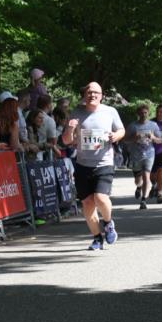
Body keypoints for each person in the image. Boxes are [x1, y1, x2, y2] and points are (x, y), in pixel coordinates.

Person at [61, 82, 124, 250]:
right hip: (83, 165)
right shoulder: (76, 112)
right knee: (88, 203)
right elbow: (66, 141)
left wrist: (115, 136)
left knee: (101, 197)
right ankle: (97, 238)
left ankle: (109, 223)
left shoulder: (110, 111)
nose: (93, 95)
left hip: (104, 163)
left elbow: (121, 130)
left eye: (96, 93)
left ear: (101, 95)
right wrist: (70, 128)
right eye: (89, 92)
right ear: (85, 94)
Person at [124, 103, 159, 209]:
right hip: (136, 155)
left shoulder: (153, 125)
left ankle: (143, 200)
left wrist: (153, 137)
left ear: (148, 113)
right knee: (138, 180)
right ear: (138, 113)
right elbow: (125, 140)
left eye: (145, 112)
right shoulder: (132, 126)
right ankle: (139, 187)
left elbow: (161, 140)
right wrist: (134, 138)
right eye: (141, 113)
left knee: (146, 176)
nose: (144, 114)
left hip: (149, 154)